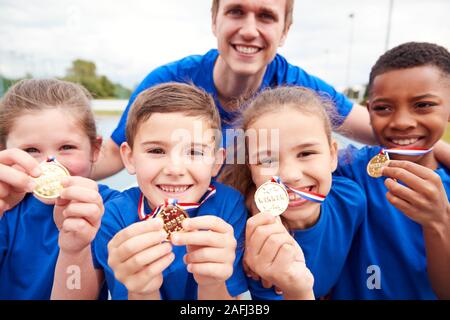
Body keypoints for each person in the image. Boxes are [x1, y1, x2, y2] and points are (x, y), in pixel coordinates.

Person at [92, 0, 386, 180]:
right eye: (236, 11)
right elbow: (117, 152)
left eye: (266, 17)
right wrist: (57, 167)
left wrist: (432, 150)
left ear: (284, 32)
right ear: (214, 21)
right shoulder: (170, 82)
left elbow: (385, 130)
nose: (248, 30)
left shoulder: (298, 89)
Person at [55, 82, 249, 300]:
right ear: (129, 158)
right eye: (156, 150)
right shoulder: (113, 217)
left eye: (194, 151)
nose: (174, 169)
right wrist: (142, 290)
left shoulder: (229, 207)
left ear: (216, 162)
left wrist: (213, 283)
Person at [219, 86, 367, 299]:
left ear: (333, 155)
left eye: (306, 153)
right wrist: (296, 290)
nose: (290, 174)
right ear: (250, 168)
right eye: (267, 160)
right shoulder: (246, 242)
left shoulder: (351, 200)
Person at [331, 42, 450, 299]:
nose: (401, 122)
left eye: (423, 105)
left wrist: (438, 223)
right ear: (369, 110)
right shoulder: (348, 169)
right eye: (383, 108)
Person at [0, 79, 118, 299]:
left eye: (66, 147)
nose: (49, 163)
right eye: (31, 149)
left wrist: (75, 250)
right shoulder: (6, 209)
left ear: (94, 149)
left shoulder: (109, 208)